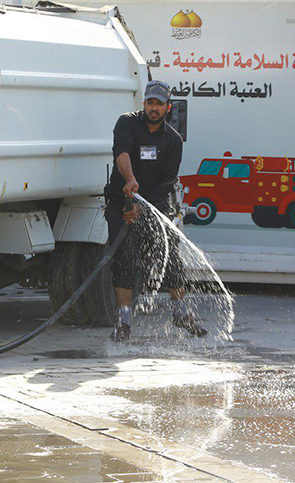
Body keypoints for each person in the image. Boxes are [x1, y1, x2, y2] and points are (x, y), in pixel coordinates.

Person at [104, 80, 208, 342]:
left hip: (154, 203)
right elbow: (121, 152)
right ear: (144, 104)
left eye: (159, 104)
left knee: (170, 256)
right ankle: (123, 322)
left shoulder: (173, 140)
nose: (154, 108)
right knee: (124, 259)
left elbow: (167, 181)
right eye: (150, 102)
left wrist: (142, 206)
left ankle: (181, 312)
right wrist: (130, 181)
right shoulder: (126, 123)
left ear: (167, 107)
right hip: (121, 201)